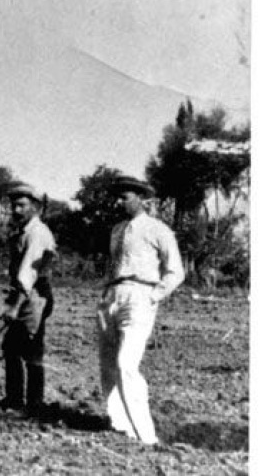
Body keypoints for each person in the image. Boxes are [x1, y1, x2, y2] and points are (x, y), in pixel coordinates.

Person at [97, 176, 183, 444]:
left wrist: (154, 295)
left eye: (124, 197)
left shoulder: (158, 229)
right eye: (117, 197)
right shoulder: (116, 230)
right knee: (108, 362)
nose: (119, 202)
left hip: (140, 294)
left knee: (126, 363)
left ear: (140, 199)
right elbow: (113, 266)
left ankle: (146, 436)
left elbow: (176, 271)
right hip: (113, 294)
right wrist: (106, 294)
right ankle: (120, 425)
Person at [0, 183, 56, 418]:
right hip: (26, 293)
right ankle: (18, 400)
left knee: (28, 348)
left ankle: (31, 404)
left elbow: (28, 274)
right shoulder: (23, 232)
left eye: (22, 205)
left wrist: (15, 306)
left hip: (34, 295)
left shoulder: (37, 233)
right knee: (13, 347)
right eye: (14, 205)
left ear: (35, 207)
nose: (16, 209)